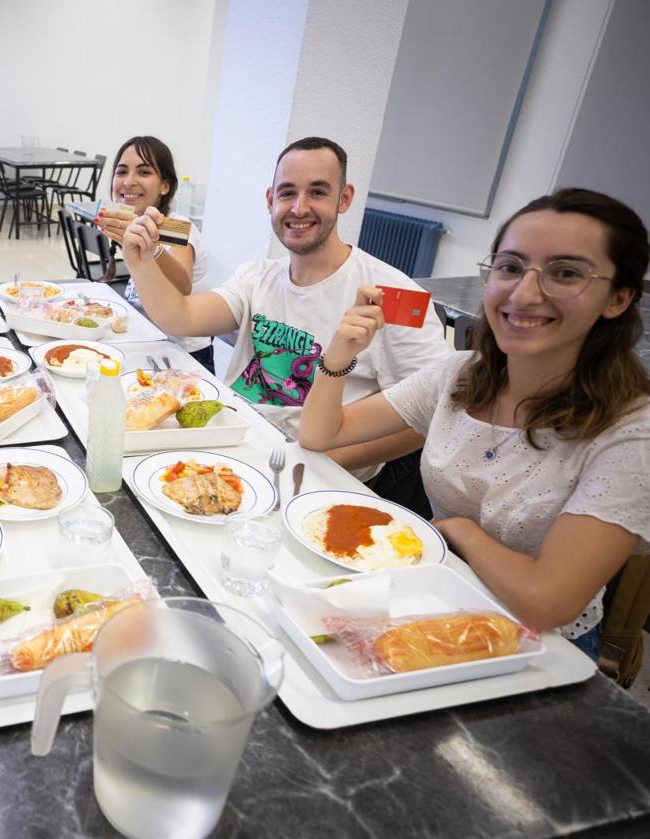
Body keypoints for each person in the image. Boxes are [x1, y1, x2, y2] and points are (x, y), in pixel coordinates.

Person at [297, 188, 650, 657]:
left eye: (565, 273)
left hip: (540, 649)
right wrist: (340, 352)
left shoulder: (630, 433)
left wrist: (460, 530)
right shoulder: (459, 374)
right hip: (435, 597)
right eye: (509, 267)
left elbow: (548, 603)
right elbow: (321, 433)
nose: (524, 294)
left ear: (618, 298)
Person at [121, 136, 449, 510]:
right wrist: (140, 260)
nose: (299, 207)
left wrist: (324, 462)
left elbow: (425, 418)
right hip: (233, 453)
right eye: (287, 192)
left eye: (318, 192)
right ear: (270, 200)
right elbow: (180, 317)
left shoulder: (389, 294)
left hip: (318, 483)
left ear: (344, 199)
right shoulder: (257, 276)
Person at [93, 136, 214, 372]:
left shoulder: (176, 226)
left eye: (144, 172)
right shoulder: (136, 223)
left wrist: (152, 247)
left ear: (165, 186)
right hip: (143, 344)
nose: (128, 182)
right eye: (121, 172)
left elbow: (182, 286)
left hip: (182, 357)